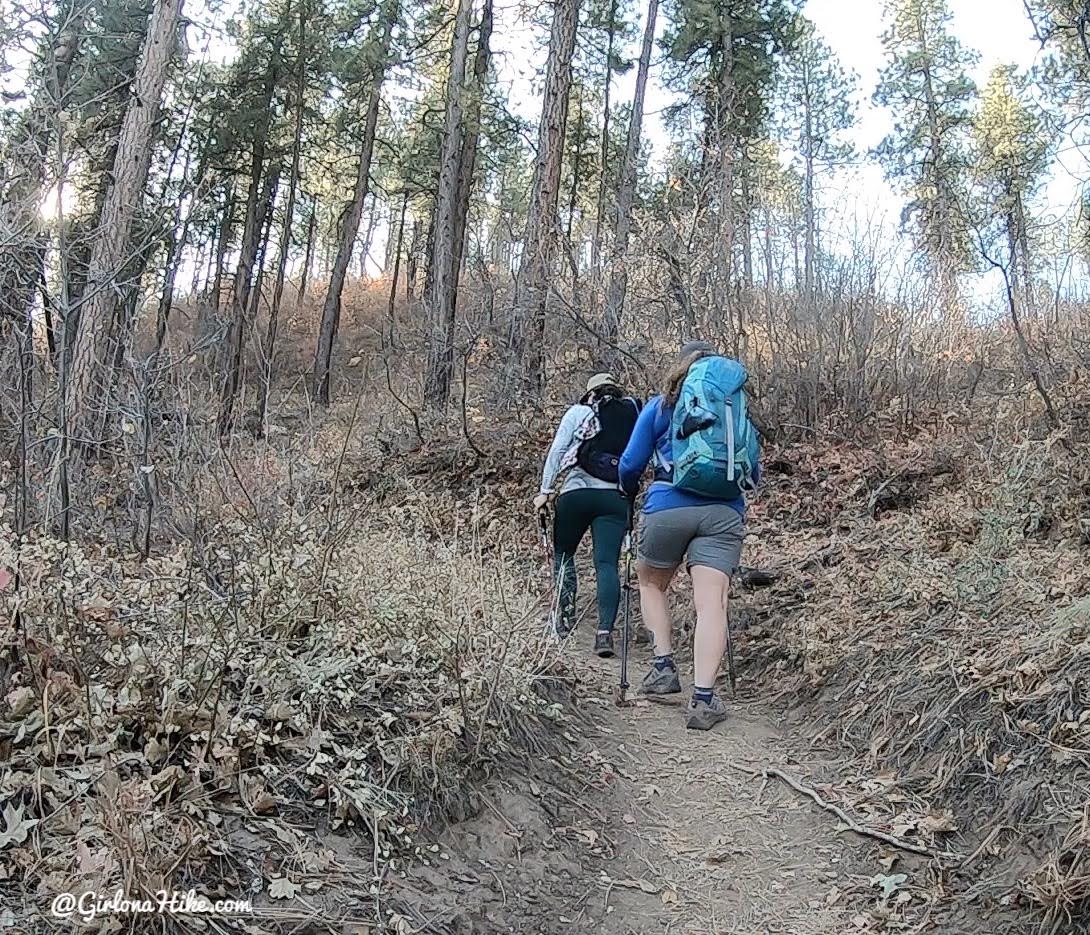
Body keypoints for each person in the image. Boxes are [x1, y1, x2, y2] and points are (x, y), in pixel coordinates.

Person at [618, 341, 760, 730]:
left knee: (651, 583)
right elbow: (754, 472)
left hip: (667, 508)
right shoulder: (734, 409)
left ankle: (663, 666)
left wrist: (628, 488)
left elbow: (630, 463)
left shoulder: (661, 405)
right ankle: (702, 699)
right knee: (711, 604)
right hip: (723, 512)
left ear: (680, 369)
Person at [534, 374, 641, 657]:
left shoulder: (579, 412)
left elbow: (558, 449)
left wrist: (545, 491)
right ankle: (604, 634)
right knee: (607, 564)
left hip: (575, 493)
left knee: (564, 554)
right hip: (615, 498)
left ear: (589, 392)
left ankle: (564, 621)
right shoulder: (633, 416)